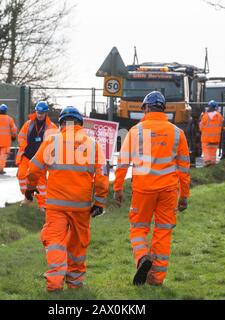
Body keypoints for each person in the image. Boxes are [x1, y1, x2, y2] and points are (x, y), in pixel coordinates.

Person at [26, 106, 109, 292]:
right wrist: (99, 202)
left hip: (56, 206)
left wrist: (30, 189)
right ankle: (75, 284)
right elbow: (102, 177)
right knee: (78, 245)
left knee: (55, 241)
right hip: (81, 206)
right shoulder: (93, 144)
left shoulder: (51, 142)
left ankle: (54, 284)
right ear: (80, 123)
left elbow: (33, 169)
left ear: (62, 122)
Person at [114, 91, 191, 287]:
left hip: (143, 189)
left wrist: (118, 188)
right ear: (163, 109)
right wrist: (184, 196)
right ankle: (156, 279)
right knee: (163, 232)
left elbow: (122, 162)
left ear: (146, 108)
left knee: (138, 228)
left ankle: (142, 258)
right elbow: (184, 168)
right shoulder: (177, 133)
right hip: (168, 191)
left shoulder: (136, 131)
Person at [17, 101, 57, 211]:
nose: (40, 115)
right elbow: (21, 137)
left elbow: (54, 144)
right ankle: (27, 197)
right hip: (27, 156)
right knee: (21, 175)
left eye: (42, 113)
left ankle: (43, 204)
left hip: (41, 159)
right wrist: (24, 147)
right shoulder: (28, 124)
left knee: (41, 182)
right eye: (38, 112)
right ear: (36, 111)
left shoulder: (51, 127)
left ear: (46, 113)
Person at [199, 100, 224, 166]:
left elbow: (201, 127)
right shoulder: (219, 116)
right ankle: (213, 163)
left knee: (206, 150)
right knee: (213, 151)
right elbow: (222, 124)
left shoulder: (205, 116)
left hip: (206, 138)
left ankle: (207, 161)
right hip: (215, 138)